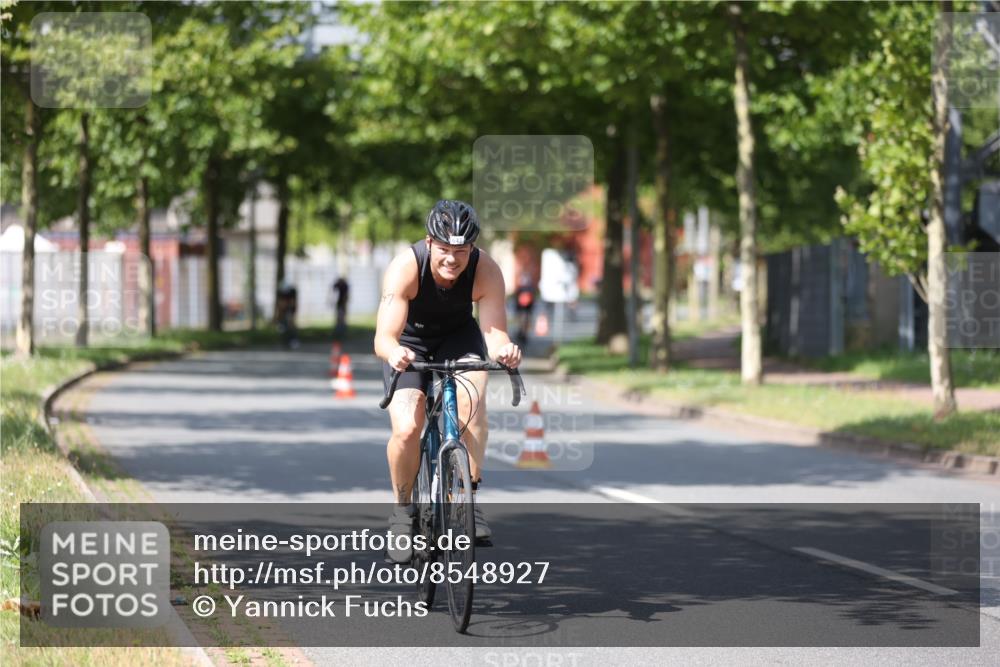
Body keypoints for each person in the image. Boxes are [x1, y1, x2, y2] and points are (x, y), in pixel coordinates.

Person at [373, 199, 522, 563]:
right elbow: (383, 338)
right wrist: (394, 353)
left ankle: (468, 500)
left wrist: (504, 350)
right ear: (429, 243)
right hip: (409, 345)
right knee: (408, 428)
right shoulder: (406, 267)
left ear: (472, 248)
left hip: (459, 338)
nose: (452, 259)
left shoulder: (486, 269)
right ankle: (402, 512)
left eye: (461, 250)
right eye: (444, 250)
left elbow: (494, 332)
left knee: (472, 407)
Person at [513, 272, 536, 347]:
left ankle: (521, 334)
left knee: (522, 323)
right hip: (526, 310)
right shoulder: (530, 289)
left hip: (523, 309)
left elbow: (516, 299)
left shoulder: (521, 289)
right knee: (524, 323)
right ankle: (522, 335)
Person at [275, 280, 299, 349]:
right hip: (283, 308)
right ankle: (284, 340)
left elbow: (293, 303)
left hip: (291, 308)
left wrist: (291, 312)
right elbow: (280, 303)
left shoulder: (292, 291)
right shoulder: (280, 291)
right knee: (283, 326)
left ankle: (294, 340)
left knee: (291, 323)